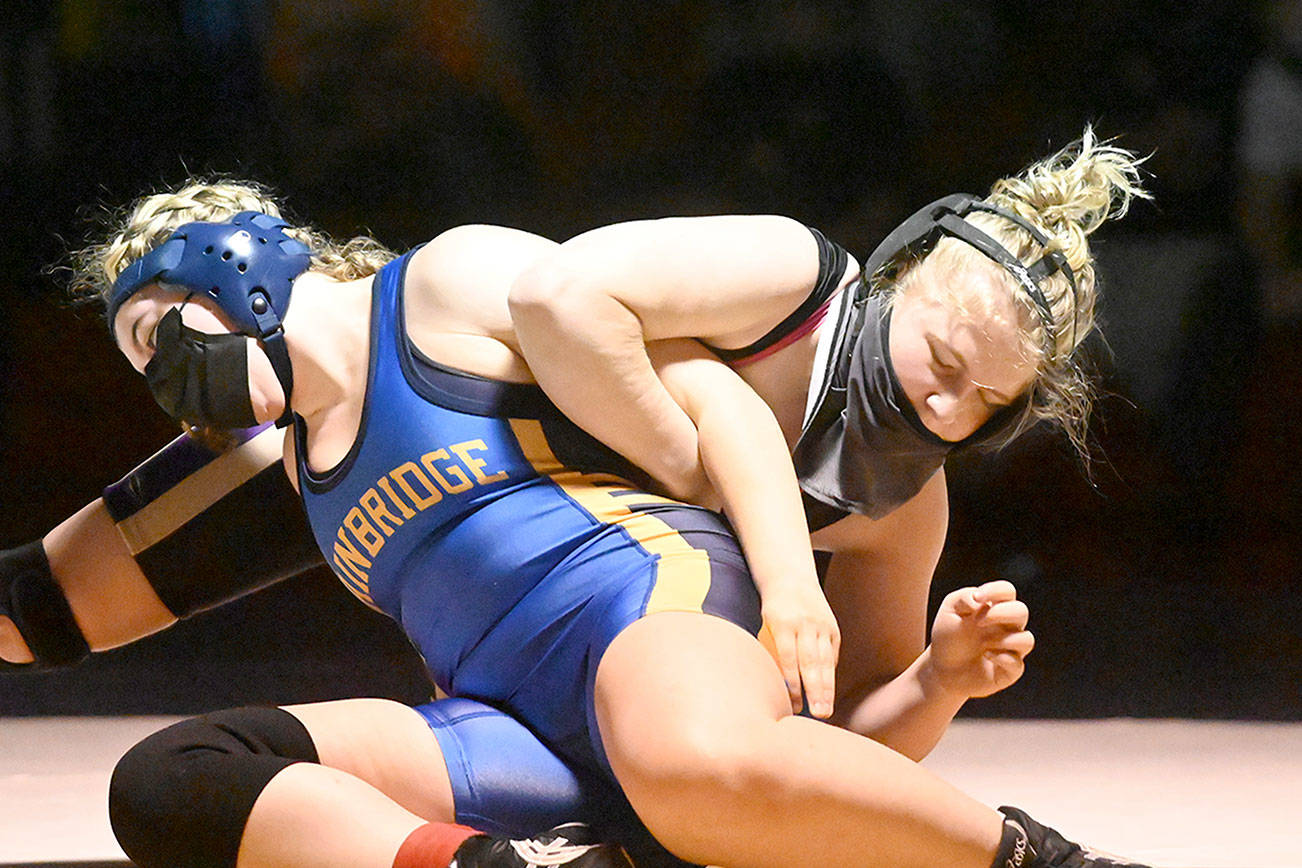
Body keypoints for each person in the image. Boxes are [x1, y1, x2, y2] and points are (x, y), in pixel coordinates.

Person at [1, 129, 1152, 868]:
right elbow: (50, 596)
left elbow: (700, 386)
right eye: (140, 359)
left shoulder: (445, 288)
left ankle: (1042, 861)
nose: (942, 408)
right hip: (509, 726)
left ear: (237, 268)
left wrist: (830, 604)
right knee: (169, 781)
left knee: (689, 754)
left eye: (161, 336)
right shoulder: (281, 460)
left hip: (646, 610)